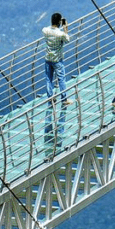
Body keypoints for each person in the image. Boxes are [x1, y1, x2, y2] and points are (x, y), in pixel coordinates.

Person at [42, 12, 72, 154]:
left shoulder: (45, 31)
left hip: (48, 59)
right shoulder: (60, 34)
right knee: (61, 79)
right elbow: (68, 39)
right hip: (58, 60)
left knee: (49, 79)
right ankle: (64, 99)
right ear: (59, 22)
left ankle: (50, 98)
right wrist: (65, 28)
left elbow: (48, 30)